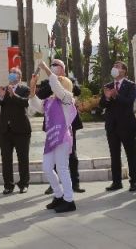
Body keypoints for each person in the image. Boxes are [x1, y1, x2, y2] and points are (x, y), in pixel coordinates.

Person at [28, 61, 77, 213]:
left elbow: (56, 86)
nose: (55, 84)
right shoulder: (50, 101)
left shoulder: (67, 98)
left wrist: (47, 70)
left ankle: (69, 200)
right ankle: (58, 195)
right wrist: (32, 86)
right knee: (47, 168)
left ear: (65, 86)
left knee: (62, 168)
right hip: (51, 138)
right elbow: (35, 104)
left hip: (62, 137)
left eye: (60, 81)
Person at [39, 62, 85, 194]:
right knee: (52, 155)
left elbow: (76, 90)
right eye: (52, 65)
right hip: (53, 123)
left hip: (67, 124)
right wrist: (53, 79)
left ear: (63, 68)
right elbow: (41, 95)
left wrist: (64, 79)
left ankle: (75, 183)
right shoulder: (47, 82)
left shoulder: (70, 80)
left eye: (57, 65)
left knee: (72, 154)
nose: (54, 66)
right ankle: (53, 184)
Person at [101, 60, 136, 192]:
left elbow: (129, 102)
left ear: (124, 71)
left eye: (117, 66)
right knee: (114, 154)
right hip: (112, 126)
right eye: (113, 65)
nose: (114, 68)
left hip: (127, 125)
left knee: (131, 153)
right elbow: (102, 105)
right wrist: (106, 98)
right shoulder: (108, 85)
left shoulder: (130, 85)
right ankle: (116, 182)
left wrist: (116, 95)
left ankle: (134, 181)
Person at [0, 66, 31, 194]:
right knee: (6, 159)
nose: (12, 75)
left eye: (14, 73)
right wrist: (2, 97)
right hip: (5, 131)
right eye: (11, 73)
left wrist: (13, 95)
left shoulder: (24, 89)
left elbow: (25, 103)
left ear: (19, 77)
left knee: (23, 158)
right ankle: (8, 185)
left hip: (21, 130)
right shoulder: (3, 89)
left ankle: (24, 184)